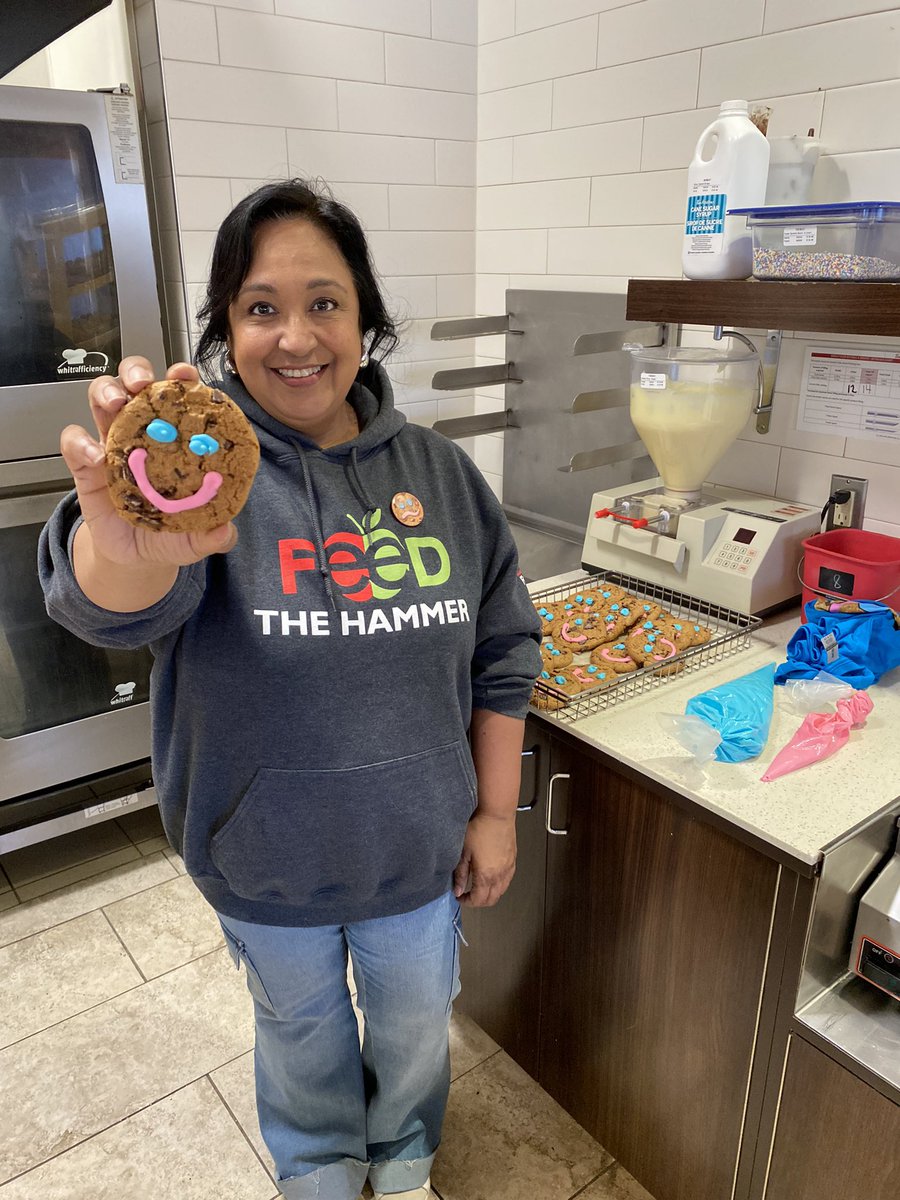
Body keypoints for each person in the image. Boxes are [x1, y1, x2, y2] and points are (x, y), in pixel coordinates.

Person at [39, 179, 541, 1200]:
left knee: (412, 1028)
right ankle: (317, 1165)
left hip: (417, 854)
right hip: (262, 859)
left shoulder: (443, 478)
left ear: (367, 320)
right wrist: (123, 544)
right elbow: (116, 605)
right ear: (226, 326)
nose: (296, 335)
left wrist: (495, 811)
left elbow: (504, 649)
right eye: (262, 306)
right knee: (300, 1029)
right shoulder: (186, 482)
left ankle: (402, 1157)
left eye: (326, 302)